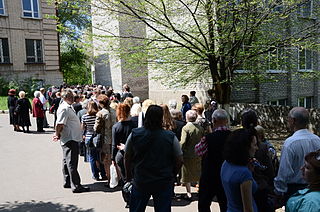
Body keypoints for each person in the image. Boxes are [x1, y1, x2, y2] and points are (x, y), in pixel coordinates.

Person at [124, 105, 183, 212]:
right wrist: (173, 174)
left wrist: (129, 175)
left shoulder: (135, 134)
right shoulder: (170, 136)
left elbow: (127, 156)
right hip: (163, 180)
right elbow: (179, 159)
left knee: (136, 209)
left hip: (141, 179)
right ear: (161, 118)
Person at [274, 107, 320, 205]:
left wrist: (279, 191)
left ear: (293, 121)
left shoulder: (290, 143)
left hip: (294, 191)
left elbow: (284, 172)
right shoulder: (317, 140)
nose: (287, 122)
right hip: (316, 188)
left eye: (288, 119)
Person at [53, 89, 90, 193]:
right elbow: (59, 124)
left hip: (70, 137)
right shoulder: (65, 108)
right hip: (70, 138)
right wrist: (57, 134)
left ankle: (68, 181)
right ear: (66, 97)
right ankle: (76, 185)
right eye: (70, 96)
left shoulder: (67, 107)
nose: (72, 98)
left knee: (67, 161)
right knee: (71, 162)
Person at [241, 109, 275, 212]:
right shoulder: (263, 146)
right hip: (259, 188)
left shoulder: (236, 142)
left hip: (240, 186)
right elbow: (270, 171)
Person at [198, 109, 230, 212]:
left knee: (204, 204)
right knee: (226, 204)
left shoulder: (208, 138)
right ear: (227, 121)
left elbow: (198, 151)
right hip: (227, 175)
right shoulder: (233, 137)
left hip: (209, 175)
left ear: (214, 120)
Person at [221, 128, 259, 212]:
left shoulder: (226, 164)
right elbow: (248, 209)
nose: (257, 148)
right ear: (245, 147)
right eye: (254, 145)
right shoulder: (244, 174)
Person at [180, 109, 204, 200]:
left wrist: (180, 151)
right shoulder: (200, 128)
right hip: (198, 154)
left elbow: (182, 142)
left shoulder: (185, 128)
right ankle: (200, 190)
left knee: (187, 174)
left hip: (187, 154)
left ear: (186, 118)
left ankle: (189, 193)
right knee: (198, 172)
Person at [82, 100, 106, 181]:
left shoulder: (84, 117)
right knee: (100, 155)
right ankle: (103, 174)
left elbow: (83, 128)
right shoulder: (98, 115)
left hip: (89, 137)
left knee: (92, 157)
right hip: (98, 137)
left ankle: (95, 175)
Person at [94, 94, 116, 184]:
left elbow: (96, 128)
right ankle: (118, 178)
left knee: (107, 160)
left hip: (106, 139)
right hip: (115, 137)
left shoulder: (101, 113)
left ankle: (110, 180)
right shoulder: (114, 111)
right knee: (114, 159)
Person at [112, 103, 135, 182]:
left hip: (121, 154)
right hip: (133, 154)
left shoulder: (116, 127)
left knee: (125, 178)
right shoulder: (135, 125)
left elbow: (114, 144)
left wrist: (113, 158)